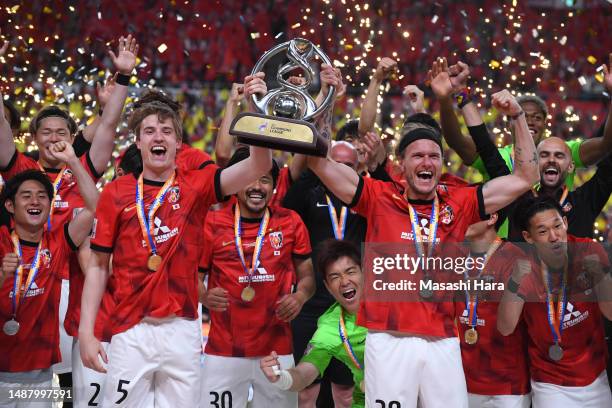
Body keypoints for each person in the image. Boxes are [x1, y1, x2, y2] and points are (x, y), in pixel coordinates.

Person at [306, 61, 539, 406]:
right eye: (417, 155)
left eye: (434, 156)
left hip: (443, 341)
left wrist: (518, 116)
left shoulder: (460, 201)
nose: (426, 162)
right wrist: (325, 99)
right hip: (388, 340)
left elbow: (524, 177)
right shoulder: (377, 197)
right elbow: (318, 161)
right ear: (402, 163)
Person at [79, 73, 273, 407]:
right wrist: (86, 332)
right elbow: (97, 267)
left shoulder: (197, 185)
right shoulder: (115, 193)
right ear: (138, 143)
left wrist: (258, 107)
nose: (159, 137)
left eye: (167, 131)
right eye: (150, 131)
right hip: (130, 330)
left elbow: (259, 165)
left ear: (179, 144)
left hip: (183, 329)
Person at [0, 34, 137, 401]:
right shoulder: (21, 170)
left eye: (62, 132)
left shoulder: (85, 169)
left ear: (73, 137)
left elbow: (107, 126)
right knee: (29, 380)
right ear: (34, 138)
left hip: (73, 284)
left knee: (69, 383)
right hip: (26, 284)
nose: (54, 138)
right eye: (46, 132)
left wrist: (123, 78)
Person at [199, 146, 314, 408]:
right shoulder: (213, 223)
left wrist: (300, 296)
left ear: (274, 186)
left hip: (276, 349)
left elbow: (307, 275)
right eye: (250, 178)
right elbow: (193, 278)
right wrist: (204, 296)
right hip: (224, 350)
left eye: (265, 179)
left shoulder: (291, 222)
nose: (257, 187)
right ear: (235, 181)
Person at [0, 140, 98, 408]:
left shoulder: (57, 244)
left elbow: (94, 208)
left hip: (39, 377)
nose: (35, 201)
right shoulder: (0, 242)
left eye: (43, 196)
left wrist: (74, 162)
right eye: (26, 195)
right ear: (10, 206)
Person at [497, 195, 612, 407]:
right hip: (551, 385)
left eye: (557, 226)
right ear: (528, 237)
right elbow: (505, 327)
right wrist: (514, 283)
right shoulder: (525, 269)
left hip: (596, 376)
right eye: (542, 231)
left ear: (565, 223)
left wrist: (601, 277)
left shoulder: (588, 250)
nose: (554, 236)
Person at [435, 55, 612, 189]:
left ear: (545, 124)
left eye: (537, 118)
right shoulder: (498, 158)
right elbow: (455, 140)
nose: (530, 122)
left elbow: (606, 145)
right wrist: (445, 98)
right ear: (508, 125)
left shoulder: (563, 152)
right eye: (521, 116)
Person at [283, 141, 366, 408]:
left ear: (359, 170)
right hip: (311, 305)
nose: (340, 171)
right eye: (335, 164)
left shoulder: (365, 202)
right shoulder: (310, 193)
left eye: (349, 166)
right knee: (307, 391)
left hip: (348, 306)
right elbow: (289, 202)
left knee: (345, 390)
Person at [260, 239, 367, 408]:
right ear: (328, 287)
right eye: (335, 277)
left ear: (365, 273)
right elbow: (303, 375)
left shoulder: (394, 299)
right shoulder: (331, 327)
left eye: (350, 272)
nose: (344, 281)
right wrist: (280, 377)